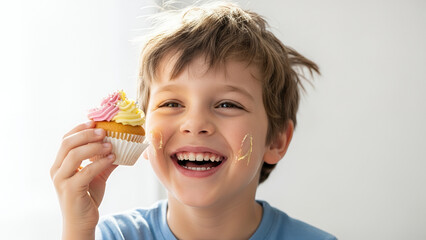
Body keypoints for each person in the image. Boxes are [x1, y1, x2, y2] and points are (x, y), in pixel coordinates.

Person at [51, 2, 337, 239]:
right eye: (172, 103)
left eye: (227, 104)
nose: (195, 123)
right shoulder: (112, 236)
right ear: (143, 132)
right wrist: (76, 227)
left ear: (276, 140)